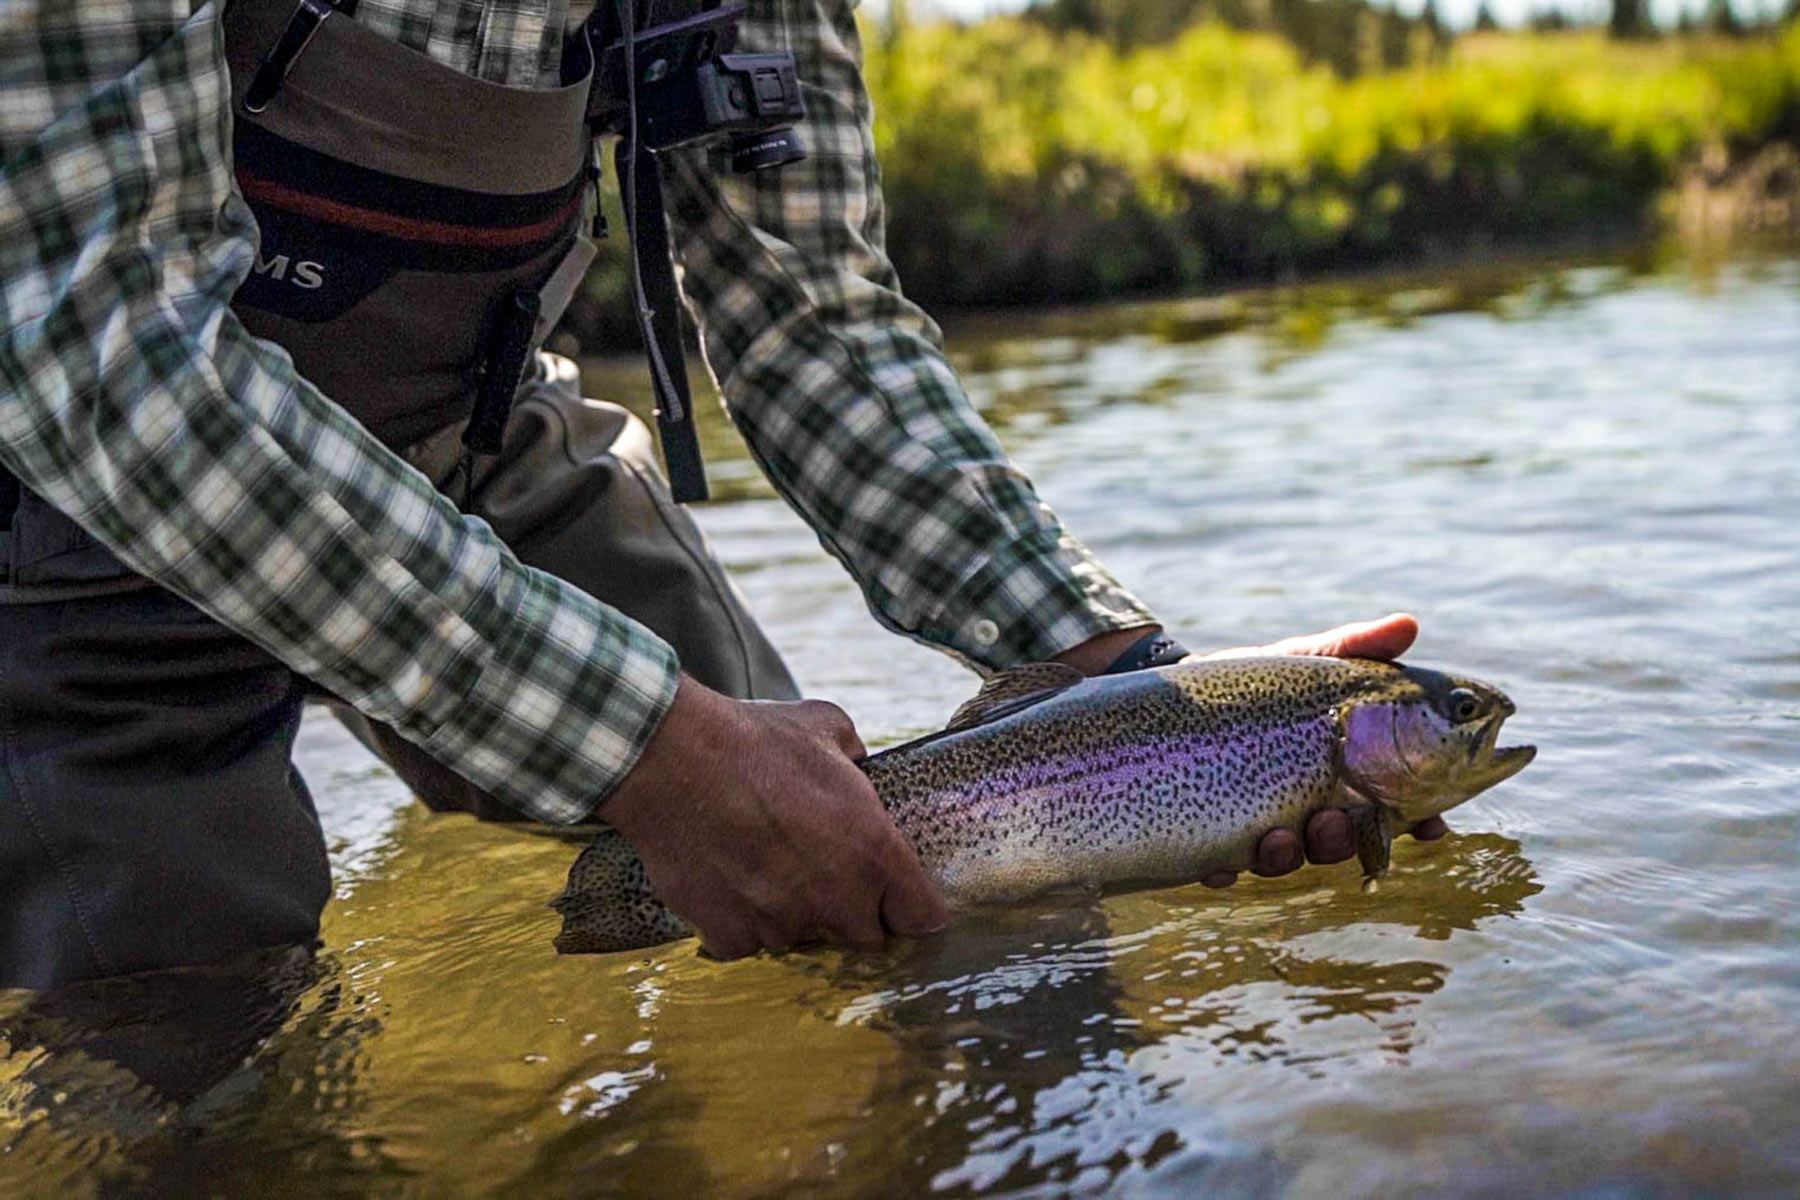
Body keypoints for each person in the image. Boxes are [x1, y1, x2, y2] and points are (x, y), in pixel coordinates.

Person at [0, 0, 1443, 989]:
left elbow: (812, 321)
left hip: (474, 429)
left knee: (849, 880)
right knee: (198, 1075)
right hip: (68, 499)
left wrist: (1134, 680)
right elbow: (94, 344)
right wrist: (642, 742)